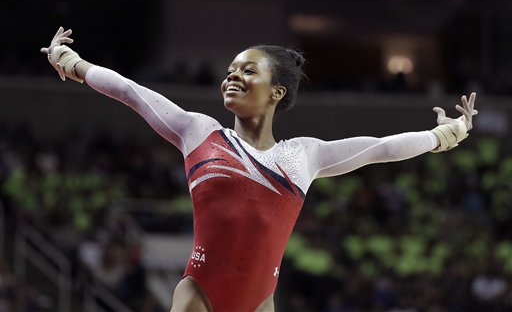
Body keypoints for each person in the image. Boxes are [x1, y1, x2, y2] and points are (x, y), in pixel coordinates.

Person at [41, 27, 477, 312]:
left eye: (248, 71)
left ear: (276, 91)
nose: (232, 77)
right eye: (230, 70)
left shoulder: (304, 156)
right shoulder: (199, 132)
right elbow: (132, 92)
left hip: (259, 303)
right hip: (199, 295)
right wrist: (70, 62)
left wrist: (444, 135)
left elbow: (381, 148)